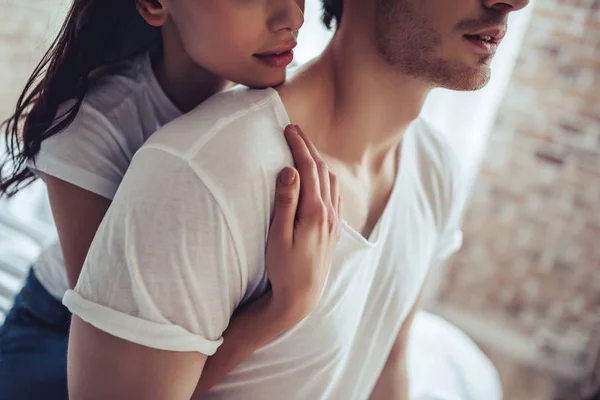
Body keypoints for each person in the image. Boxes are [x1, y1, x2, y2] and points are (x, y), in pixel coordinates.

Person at [65, 0, 531, 398]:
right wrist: (281, 309)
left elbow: (387, 366)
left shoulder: (437, 168)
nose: (514, 1)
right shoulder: (205, 171)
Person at [0, 0, 343, 399]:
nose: (294, 17)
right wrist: (283, 308)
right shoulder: (92, 127)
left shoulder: (286, 105)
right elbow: (120, 349)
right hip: (58, 332)